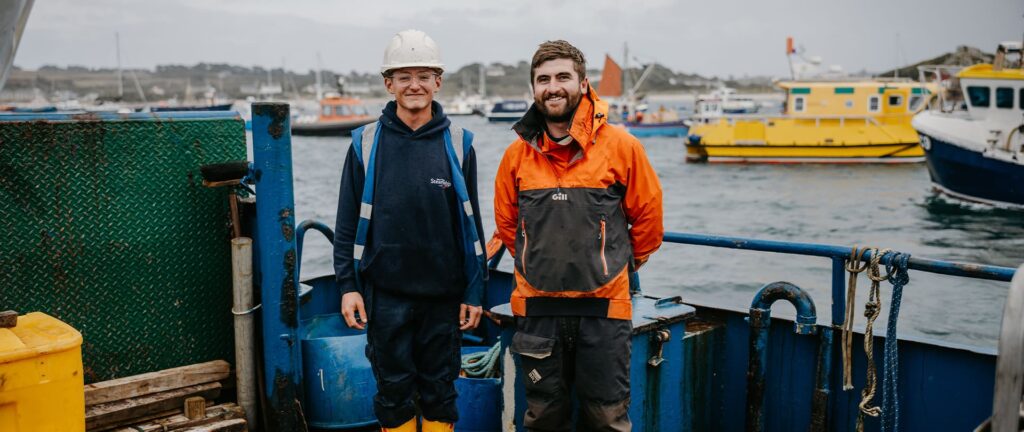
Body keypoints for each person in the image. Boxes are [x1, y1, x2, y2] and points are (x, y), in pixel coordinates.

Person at [493, 40, 664, 431]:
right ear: (533, 89)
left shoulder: (622, 147)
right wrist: (535, 261)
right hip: (537, 310)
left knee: (607, 419)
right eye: (543, 79)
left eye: (563, 77)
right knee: (542, 417)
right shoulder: (515, 156)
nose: (553, 87)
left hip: (605, 311)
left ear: (583, 83)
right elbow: (506, 225)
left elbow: (649, 219)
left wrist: (617, 262)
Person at [333, 29, 486, 432]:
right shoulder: (365, 143)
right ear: (389, 84)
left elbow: (471, 225)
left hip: (443, 295)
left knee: (440, 393)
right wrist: (348, 286)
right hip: (385, 296)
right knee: (393, 393)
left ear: (438, 81)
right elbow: (346, 223)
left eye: (423, 75)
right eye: (404, 76)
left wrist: (474, 291)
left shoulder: (459, 142)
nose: (414, 85)